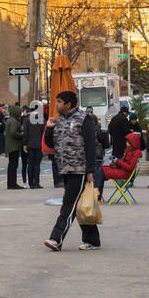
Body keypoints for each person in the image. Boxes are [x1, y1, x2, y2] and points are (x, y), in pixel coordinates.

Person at [43, 90, 101, 251]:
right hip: (65, 168)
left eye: (60, 102)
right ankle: (92, 240)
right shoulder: (59, 120)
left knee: (68, 205)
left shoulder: (83, 119)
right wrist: (49, 128)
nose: (56, 105)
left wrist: (90, 169)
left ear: (68, 104)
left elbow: (90, 145)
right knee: (78, 205)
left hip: (79, 169)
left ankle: (56, 238)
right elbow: (50, 143)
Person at [101, 130, 143, 198]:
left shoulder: (136, 152)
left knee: (101, 171)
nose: (126, 143)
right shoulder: (128, 150)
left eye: (128, 142)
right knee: (102, 169)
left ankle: (98, 195)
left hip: (126, 173)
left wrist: (117, 161)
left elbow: (130, 168)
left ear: (133, 143)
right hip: (123, 171)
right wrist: (115, 163)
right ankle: (98, 195)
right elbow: (125, 163)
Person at [24, 101, 45, 189]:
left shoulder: (28, 119)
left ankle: (31, 183)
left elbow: (26, 133)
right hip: (39, 144)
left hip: (30, 144)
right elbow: (44, 133)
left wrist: (25, 143)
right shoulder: (42, 119)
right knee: (37, 164)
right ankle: (37, 182)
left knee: (30, 164)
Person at [5, 104, 25, 189]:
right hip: (14, 146)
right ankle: (13, 184)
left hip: (10, 145)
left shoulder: (10, 120)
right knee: (13, 165)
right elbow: (13, 132)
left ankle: (11, 183)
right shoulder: (13, 121)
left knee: (11, 165)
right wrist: (22, 134)